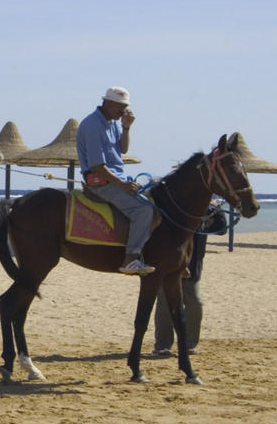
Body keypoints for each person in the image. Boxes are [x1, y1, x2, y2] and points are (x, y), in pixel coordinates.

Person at [76, 86, 155, 275]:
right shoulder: (93, 125)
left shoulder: (111, 121)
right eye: (120, 106)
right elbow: (97, 166)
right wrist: (122, 185)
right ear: (107, 102)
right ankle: (131, 258)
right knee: (143, 211)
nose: (123, 110)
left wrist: (126, 127)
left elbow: (123, 149)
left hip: (116, 178)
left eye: (125, 106)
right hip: (101, 181)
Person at [153, 202, 227, 356]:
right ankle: (162, 345)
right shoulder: (175, 209)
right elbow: (168, 240)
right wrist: (179, 265)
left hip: (193, 268)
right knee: (165, 305)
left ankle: (189, 344)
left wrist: (215, 207)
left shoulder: (206, 210)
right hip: (170, 267)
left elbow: (221, 229)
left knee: (195, 303)